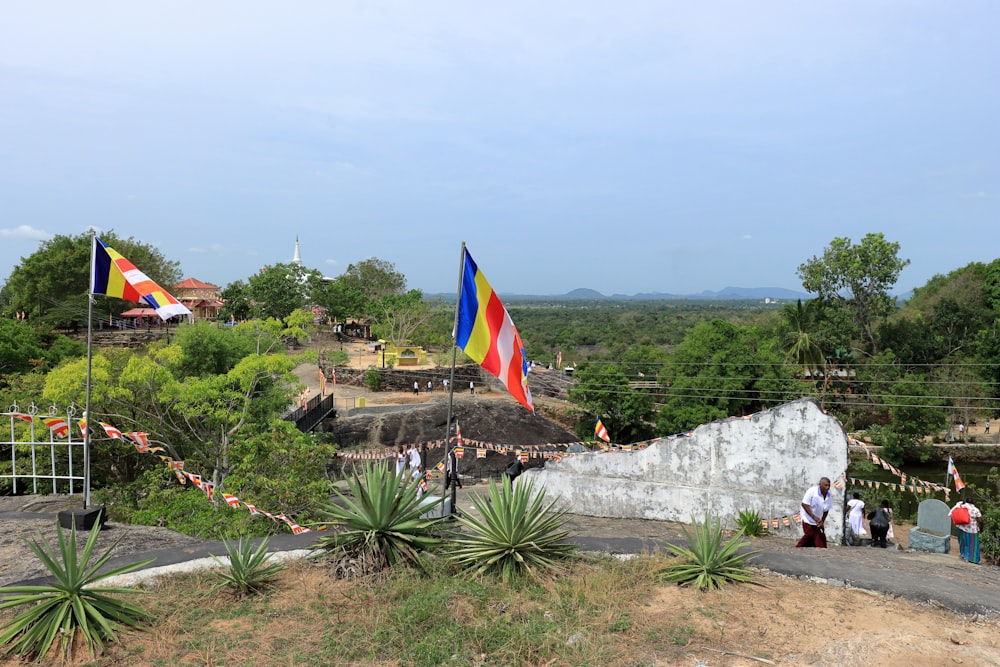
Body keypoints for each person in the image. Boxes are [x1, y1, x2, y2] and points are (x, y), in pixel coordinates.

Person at [796, 477, 832, 548]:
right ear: (820, 484)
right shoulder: (812, 491)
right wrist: (813, 517)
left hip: (818, 521)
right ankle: (799, 547)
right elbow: (804, 504)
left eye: (828, 485)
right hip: (808, 518)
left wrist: (822, 521)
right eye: (825, 485)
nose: (827, 487)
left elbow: (826, 510)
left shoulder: (829, 495)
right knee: (809, 534)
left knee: (821, 542)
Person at [950, 495, 984, 564]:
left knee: (962, 542)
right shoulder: (975, 510)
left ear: (966, 501)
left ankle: (963, 555)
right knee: (972, 544)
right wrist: (981, 528)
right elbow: (980, 520)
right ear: (973, 502)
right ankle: (972, 559)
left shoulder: (960, 506)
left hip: (961, 528)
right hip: (972, 530)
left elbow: (953, 513)